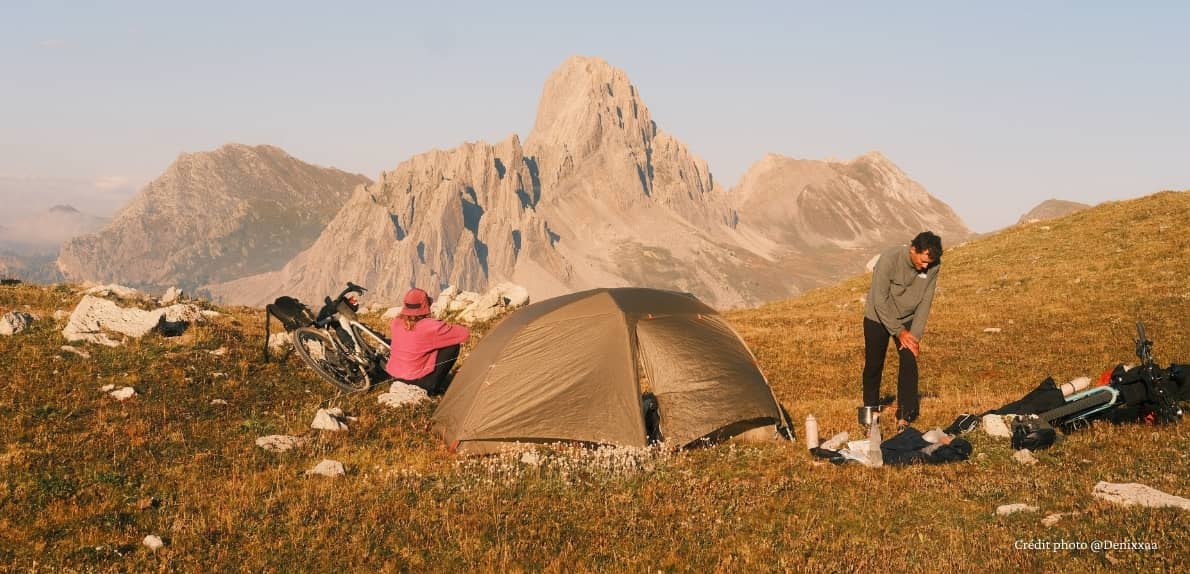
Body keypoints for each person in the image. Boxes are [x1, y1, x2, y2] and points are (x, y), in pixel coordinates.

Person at [862, 231, 943, 429]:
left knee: (909, 361)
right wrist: (899, 331)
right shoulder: (889, 259)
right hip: (878, 316)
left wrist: (914, 337)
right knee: (874, 365)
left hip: (908, 320)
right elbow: (880, 299)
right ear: (913, 249)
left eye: (929, 263)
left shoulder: (933, 265)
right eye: (923, 260)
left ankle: (905, 417)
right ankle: (870, 413)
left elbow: (925, 302)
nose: (925, 266)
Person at [385, 287, 470, 396]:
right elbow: (464, 334)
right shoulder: (430, 327)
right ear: (426, 305)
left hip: (392, 378)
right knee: (452, 346)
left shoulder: (396, 322)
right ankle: (433, 388)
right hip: (416, 383)